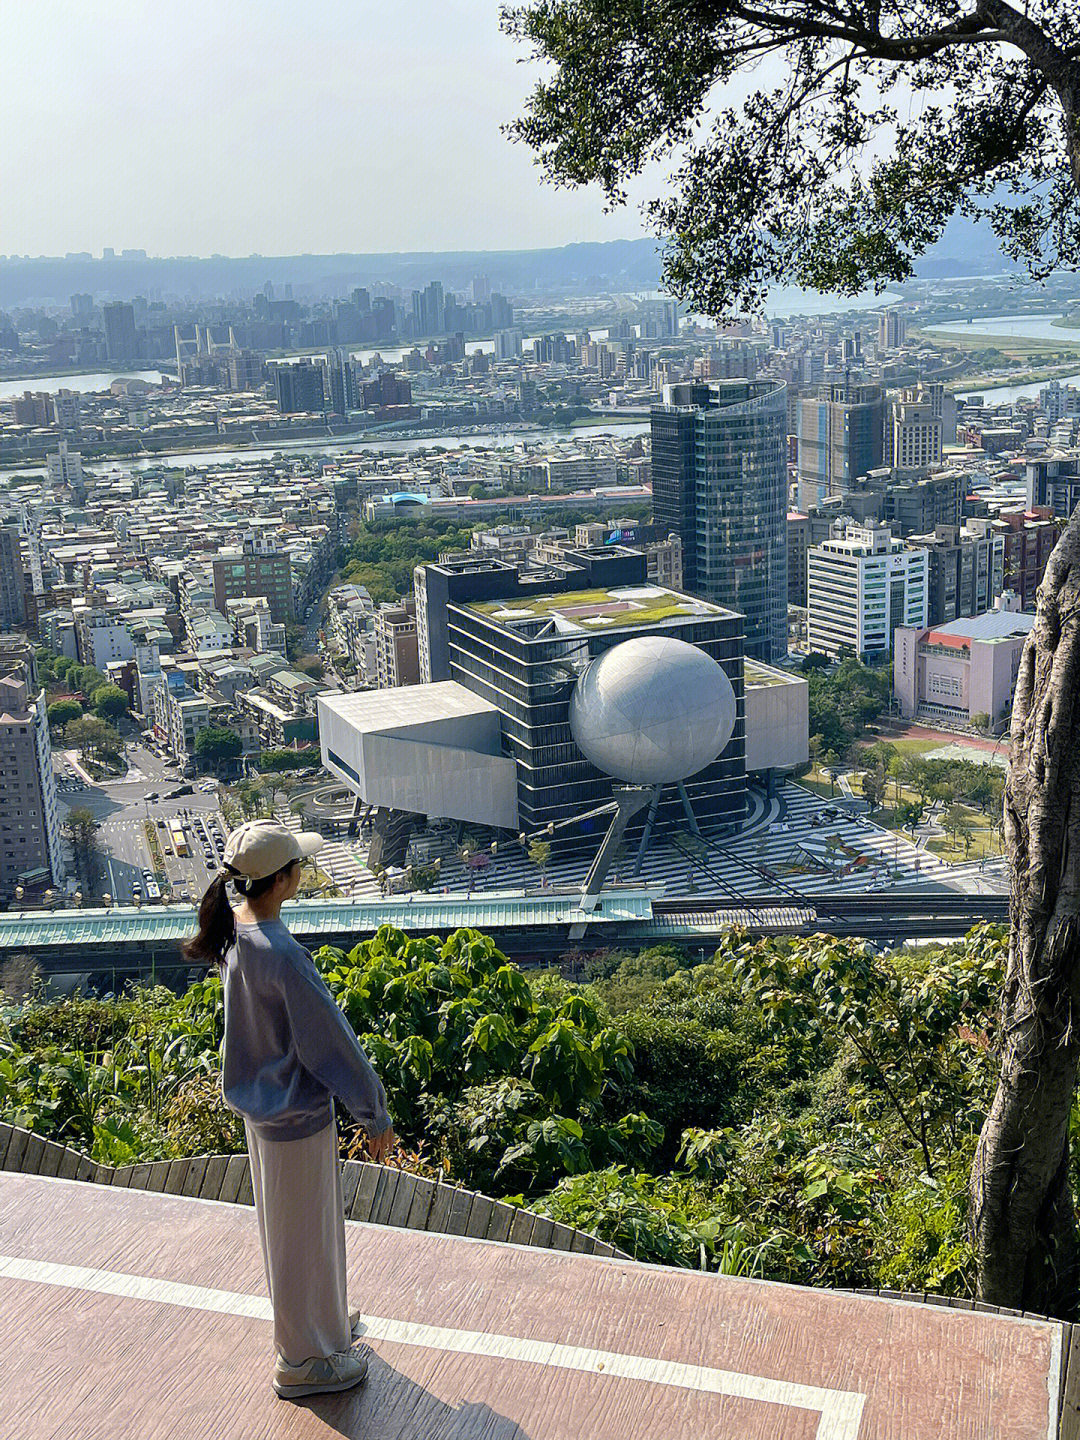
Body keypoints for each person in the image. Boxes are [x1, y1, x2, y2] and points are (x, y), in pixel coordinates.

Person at [184, 817, 395, 1401]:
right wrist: (372, 1111)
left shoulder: (239, 935)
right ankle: (304, 1358)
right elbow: (330, 1042)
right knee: (305, 1233)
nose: (302, 871)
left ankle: (322, 1323)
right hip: (298, 1115)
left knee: (296, 1230)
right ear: (282, 880)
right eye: (297, 865)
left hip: (262, 1109)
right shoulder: (283, 954)